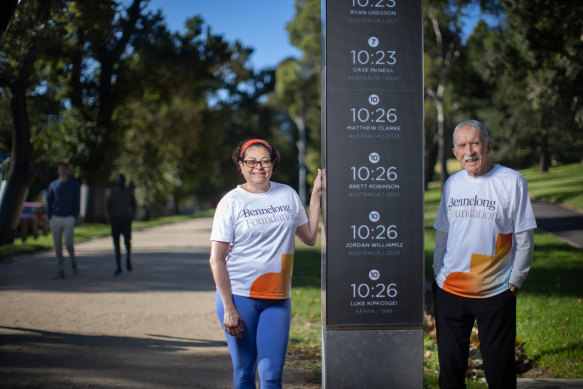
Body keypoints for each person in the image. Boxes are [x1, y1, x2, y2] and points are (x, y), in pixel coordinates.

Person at [209, 139, 322, 389]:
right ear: (241, 165)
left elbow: (310, 237)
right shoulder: (231, 202)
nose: (258, 166)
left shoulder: (288, 195)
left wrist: (316, 194)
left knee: (272, 375)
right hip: (240, 297)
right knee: (245, 370)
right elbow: (216, 259)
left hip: (278, 297)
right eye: (251, 161)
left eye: (265, 161)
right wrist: (228, 308)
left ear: (273, 164)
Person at [432, 120, 537, 388]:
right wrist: (437, 273)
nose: (470, 151)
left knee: (499, 371)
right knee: (450, 371)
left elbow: (524, 235)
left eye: (475, 143)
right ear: (455, 153)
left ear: (488, 146)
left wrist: (516, 280)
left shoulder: (512, 181)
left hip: (495, 291)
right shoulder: (452, 184)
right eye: (462, 145)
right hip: (450, 289)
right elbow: (443, 233)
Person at [47, 162, 80, 279]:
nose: (63, 171)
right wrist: (49, 215)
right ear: (58, 171)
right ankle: (60, 268)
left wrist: (75, 215)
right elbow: (49, 201)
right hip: (55, 217)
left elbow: (77, 201)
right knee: (57, 245)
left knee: (69, 243)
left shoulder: (73, 185)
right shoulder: (53, 185)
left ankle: (73, 262)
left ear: (68, 171)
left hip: (69, 217)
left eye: (65, 169)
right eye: (61, 169)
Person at [106, 174, 137, 276]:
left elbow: (133, 205)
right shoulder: (112, 192)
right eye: (119, 180)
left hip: (126, 220)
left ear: (124, 181)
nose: (120, 182)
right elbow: (108, 206)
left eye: (122, 181)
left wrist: (131, 216)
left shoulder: (129, 191)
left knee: (127, 241)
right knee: (116, 245)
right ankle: (118, 266)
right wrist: (110, 218)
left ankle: (128, 258)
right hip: (115, 220)